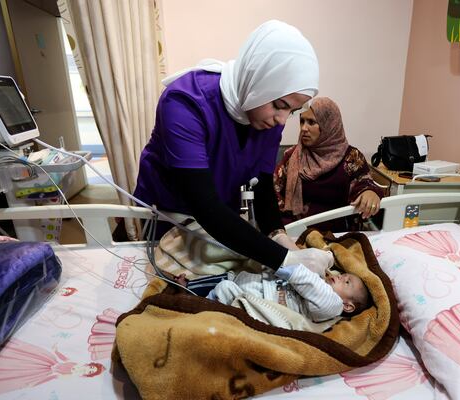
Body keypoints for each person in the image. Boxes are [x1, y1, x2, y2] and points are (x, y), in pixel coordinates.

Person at [132, 20, 332, 274]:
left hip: (216, 216)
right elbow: (204, 205)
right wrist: (285, 260)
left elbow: (262, 184)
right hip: (168, 211)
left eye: (292, 111)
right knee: (170, 279)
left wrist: (279, 236)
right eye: (281, 105)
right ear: (258, 82)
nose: (282, 120)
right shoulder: (184, 103)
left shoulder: (266, 116)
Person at [274, 97, 384, 233]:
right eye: (302, 121)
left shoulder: (351, 157)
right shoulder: (292, 156)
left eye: (311, 122)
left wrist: (370, 192)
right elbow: (275, 191)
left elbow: (364, 183)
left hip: (339, 234)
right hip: (296, 232)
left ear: (329, 124)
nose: (304, 128)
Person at [178, 265, 371, 323]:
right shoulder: (324, 286)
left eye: (347, 282)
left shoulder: (333, 305)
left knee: (225, 288)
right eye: (344, 275)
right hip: (265, 286)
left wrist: (290, 265)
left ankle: (194, 307)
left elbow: (309, 283)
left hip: (262, 303)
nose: (341, 277)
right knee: (231, 277)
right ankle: (190, 285)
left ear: (348, 306)